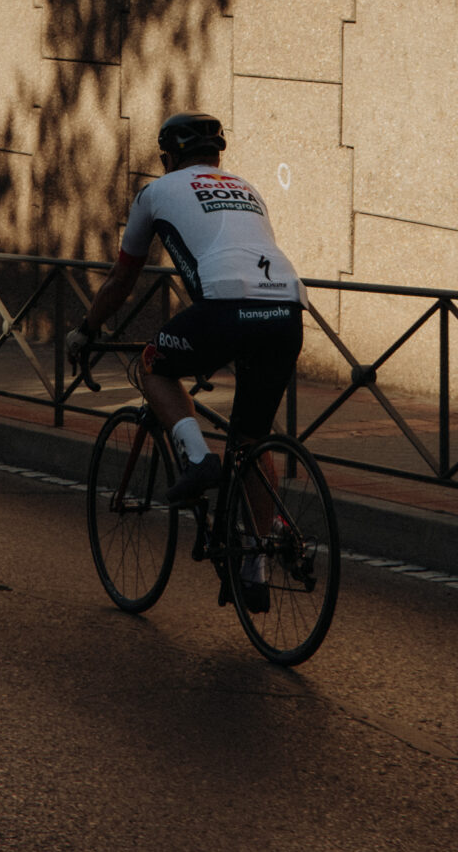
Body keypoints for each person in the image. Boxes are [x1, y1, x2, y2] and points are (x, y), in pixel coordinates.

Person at [74, 113, 305, 553]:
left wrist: (87, 329)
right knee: (250, 440)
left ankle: (198, 459)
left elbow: (122, 281)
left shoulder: (155, 193)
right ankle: (254, 565)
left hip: (225, 308)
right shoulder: (248, 189)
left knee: (152, 364)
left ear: (167, 157)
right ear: (217, 155)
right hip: (286, 310)